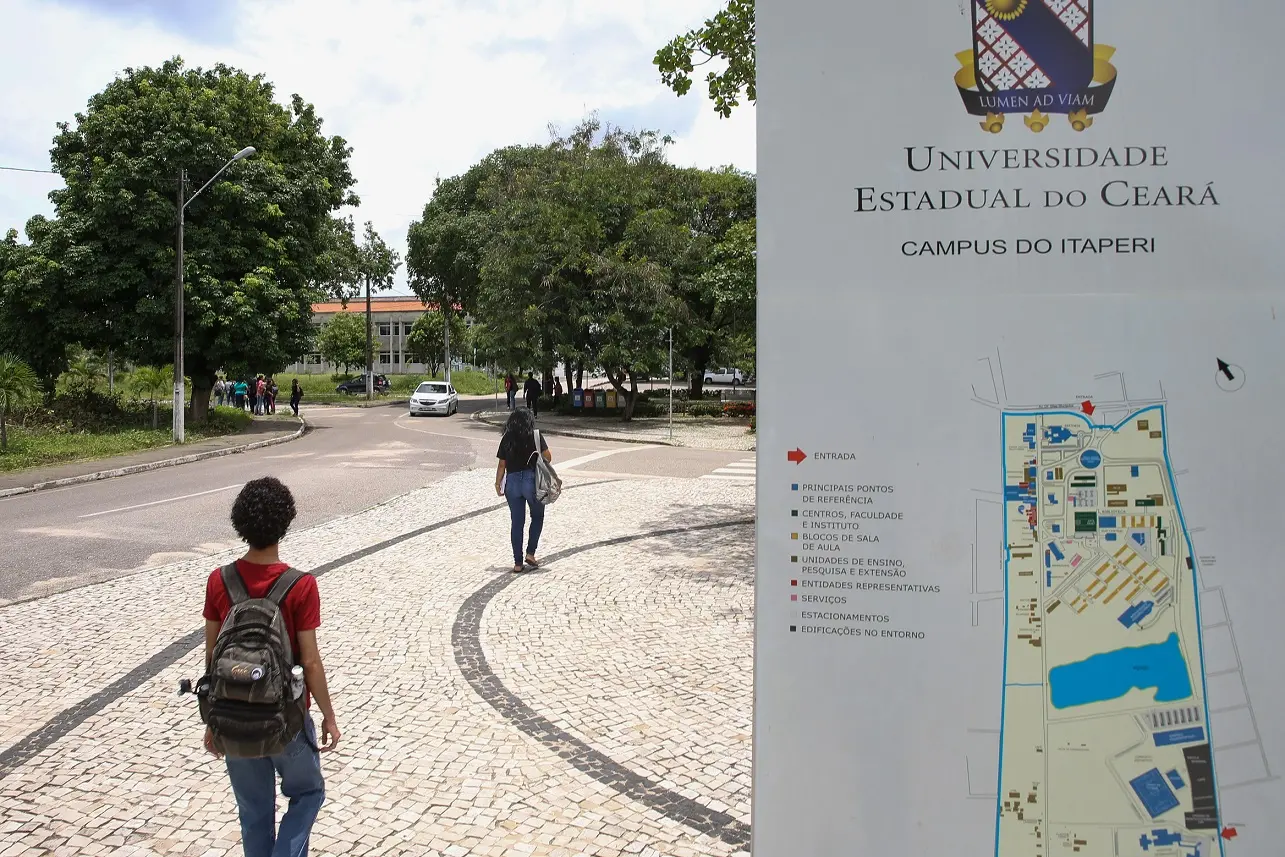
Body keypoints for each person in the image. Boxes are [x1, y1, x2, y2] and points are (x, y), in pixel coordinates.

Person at [203, 477, 340, 857]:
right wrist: (329, 717)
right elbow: (309, 661)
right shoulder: (300, 585)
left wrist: (213, 720)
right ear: (286, 522)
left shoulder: (220, 581)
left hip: (233, 715)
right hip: (286, 718)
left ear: (240, 522)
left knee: (254, 813)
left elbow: (212, 658)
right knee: (309, 792)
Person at [495, 408, 551, 574]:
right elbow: (548, 457)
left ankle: (518, 563)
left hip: (512, 483)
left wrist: (498, 483)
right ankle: (530, 553)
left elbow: (502, 465)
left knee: (517, 522)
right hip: (531, 481)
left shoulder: (507, 437)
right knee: (537, 516)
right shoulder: (535, 435)